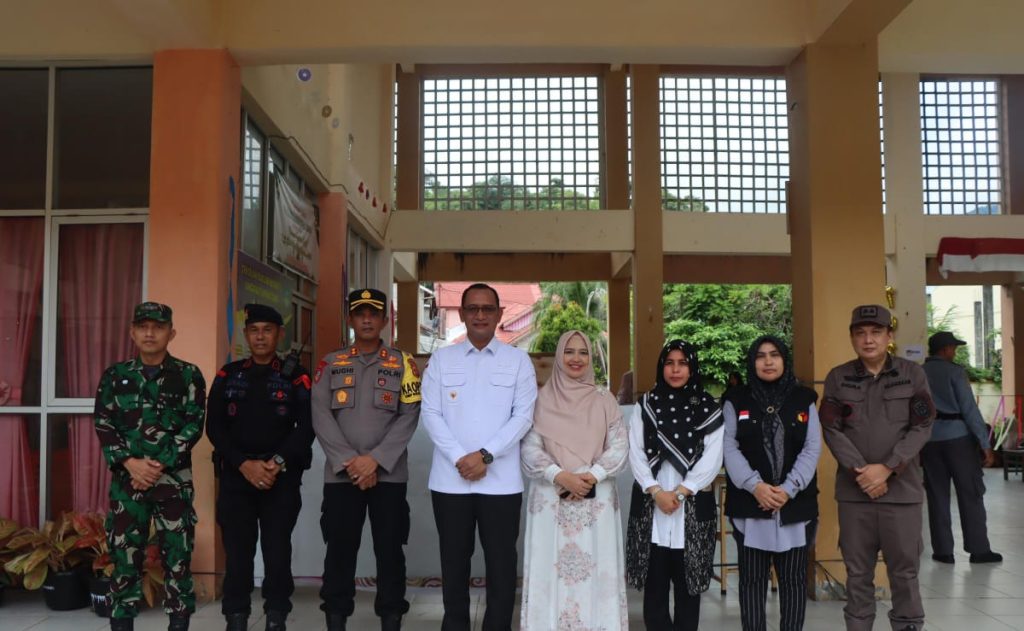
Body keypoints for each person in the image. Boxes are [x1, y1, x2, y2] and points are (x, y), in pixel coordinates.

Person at [420, 282, 537, 631]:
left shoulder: (518, 361)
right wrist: (462, 458)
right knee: (454, 563)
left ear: (500, 314)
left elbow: (523, 416)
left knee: (501, 565)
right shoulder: (442, 360)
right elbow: (430, 413)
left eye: (488, 309)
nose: (480, 315)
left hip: (501, 485)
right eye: (473, 308)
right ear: (462, 313)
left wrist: (485, 456)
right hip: (450, 482)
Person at [311, 289, 421, 631]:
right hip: (341, 477)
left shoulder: (404, 363)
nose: (367, 320)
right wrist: (350, 461)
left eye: (374, 314)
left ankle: (391, 617)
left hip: (388, 477)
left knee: (390, 552)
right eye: (360, 314)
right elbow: (320, 415)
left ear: (386, 320)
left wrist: (375, 460)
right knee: (339, 552)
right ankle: (336, 618)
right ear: (350, 319)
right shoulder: (331, 363)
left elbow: (409, 415)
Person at [820, 305, 935, 631]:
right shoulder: (838, 378)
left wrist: (887, 468)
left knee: (905, 573)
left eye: (876, 332)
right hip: (855, 495)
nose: (868, 340)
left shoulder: (913, 375)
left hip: (902, 494)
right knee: (857, 575)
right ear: (852, 337)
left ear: (889, 335)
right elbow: (831, 428)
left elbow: (922, 425)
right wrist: (863, 472)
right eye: (860, 333)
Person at [93, 302, 206, 631]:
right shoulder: (115, 376)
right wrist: (131, 464)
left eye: (158, 327)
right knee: (124, 557)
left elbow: (193, 425)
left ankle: (178, 624)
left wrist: (156, 466)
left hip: (173, 483)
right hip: (128, 483)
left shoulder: (188, 375)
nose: (150, 333)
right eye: (143, 327)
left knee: (177, 559)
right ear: (132, 332)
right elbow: (103, 422)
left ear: (171, 333)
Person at [206, 304, 315, 631]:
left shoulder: (296, 376)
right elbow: (214, 428)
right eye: (254, 330)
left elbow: (307, 426)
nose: (260, 337)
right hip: (237, 477)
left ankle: (276, 615)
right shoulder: (228, 375)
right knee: (238, 554)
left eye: (268, 330)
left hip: (280, 478)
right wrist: (244, 465)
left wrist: (275, 463)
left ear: (279, 334)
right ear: (246, 335)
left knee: (277, 552)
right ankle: (236, 616)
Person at [519, 330, 629, 630]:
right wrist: (561, 475)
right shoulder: (539, 400)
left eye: (583, 352)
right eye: (569, 351)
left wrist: (590, 476)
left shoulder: (604, 399)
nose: (576, 358)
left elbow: (620, 445)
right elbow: (529, 447)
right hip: (551, 499)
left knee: (597, 570)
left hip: (596, 500)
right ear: (559, 357)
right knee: (549, 569)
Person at [723, 335, 821, 631]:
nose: (768, 361)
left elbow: (812, 447)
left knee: (793, 581)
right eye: (760, 356)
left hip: (795, 504)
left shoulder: (804, 398)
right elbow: (729, 447)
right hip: (750, 503)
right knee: (752, 581)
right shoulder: (735, 399)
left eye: (774, 355)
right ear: (752, 362)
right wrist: (755, 486)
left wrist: (788, 489)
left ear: (784, 360)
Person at [626, 340, 724, 631]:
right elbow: (636, 451)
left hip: (690, 509)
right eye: (669, 363)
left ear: (692, 368)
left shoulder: (707, 408)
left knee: (688, 594)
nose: (676, 369)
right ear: (661, 367)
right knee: (654, 596)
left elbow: (713, 458)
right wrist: (656, 491)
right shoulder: (646, 405)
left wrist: (681, 492)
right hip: (652, 509)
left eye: (683, 363)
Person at [921, 330, 1002, 564]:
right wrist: (985, 444)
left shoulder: (918, 372)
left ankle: (943, 551)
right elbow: (969, 409)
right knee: (970, 492)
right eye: (953, 348)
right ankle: (979, 550)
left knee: (937, 495)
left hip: (929, 440)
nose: (954, 352)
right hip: (958, 440)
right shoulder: (955, 372)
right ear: (946, 349)